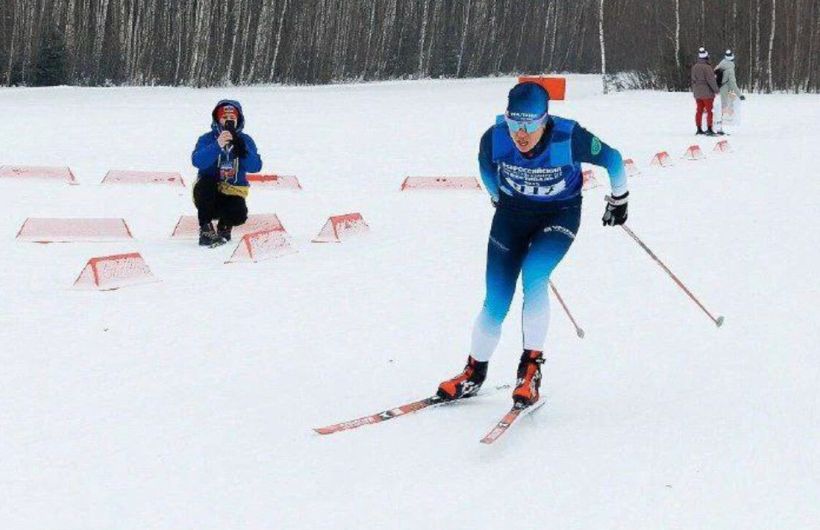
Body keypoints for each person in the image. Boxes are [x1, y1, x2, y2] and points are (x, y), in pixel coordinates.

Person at [436, 82, 629, 407]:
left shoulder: (568, 138)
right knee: (495, 300)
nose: (520, 134)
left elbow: (613, 159)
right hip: (512, 216)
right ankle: (473, 373)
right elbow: (484, 166)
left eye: (530, 125)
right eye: (514, 123)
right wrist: (498, 196)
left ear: (544, 120)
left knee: (534, 274)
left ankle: (530, 371)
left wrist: (619, 199)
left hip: (559, 215)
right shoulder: (495, 138)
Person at [191, 100, 262, 246]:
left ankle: (224, 226)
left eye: (232, 119)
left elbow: (255, 167)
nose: (228, 122)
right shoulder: (207, 139)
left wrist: (243, 150)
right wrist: (217, 145)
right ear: (217, 120)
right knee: (206, 183)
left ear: (238, 120)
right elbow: (198, 161)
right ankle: (205, 229)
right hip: (208, 194)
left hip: (232, 191)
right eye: (224, 118)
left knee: (239, 214)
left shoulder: (245, 140)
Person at [714, 49, 746, 131]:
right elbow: (733, 84)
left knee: (722, 106)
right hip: (727, 90)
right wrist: (740, 95)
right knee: (724, 107)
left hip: (720, 88)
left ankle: (719, 124)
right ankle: (719, 126)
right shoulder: (730, 69)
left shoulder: (720, 65)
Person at [691, 47, 720, 136]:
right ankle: (709, 128)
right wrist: (716, 90)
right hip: (707, 93)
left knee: (699, 111)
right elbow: (711, 80)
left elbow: (693, 79)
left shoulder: (694, 67)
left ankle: (699, 128)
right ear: (706, 57)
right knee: (709, 111)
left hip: (697, 93)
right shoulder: (707, 67)